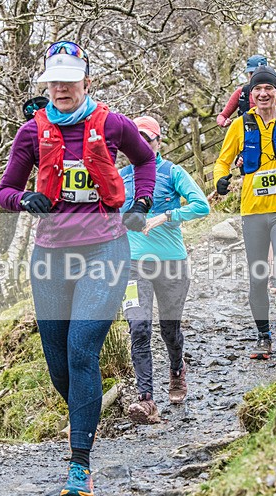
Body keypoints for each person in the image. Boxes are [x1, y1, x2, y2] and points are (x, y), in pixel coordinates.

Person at [0, 40, 156, 496]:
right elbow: (6, 191)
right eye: (54, 81)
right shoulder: (31, 133)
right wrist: (23, 199)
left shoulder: (111, 124)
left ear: (87, 80)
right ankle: (85, 417)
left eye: (70, 79)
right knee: (59, 363)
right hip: (50, 256)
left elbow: (144, 161)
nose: (61, 87)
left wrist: (141, 200)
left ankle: (80, 463)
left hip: (106, 249)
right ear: (46, 84)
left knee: (83, 347)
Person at [213, 66, 276, 359]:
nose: (263, 93)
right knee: (258, 275)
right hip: (253, 210)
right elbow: (222, 161)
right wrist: (221, 178)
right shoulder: (239, 125)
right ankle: (262, 336)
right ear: (251, 94)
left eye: (269, 88)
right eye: (258, 89)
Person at [117, 116, 209, 424]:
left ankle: (177, 368)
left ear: (158, 142)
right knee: (139, 326)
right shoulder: (121, 176)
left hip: (172, 262)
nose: (141, 144)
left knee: (170, 329)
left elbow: (201, 205)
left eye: (148, 138)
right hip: (131, 266)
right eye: (135, 138)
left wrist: (166, 216)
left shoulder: (172, 172)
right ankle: (146, 400)